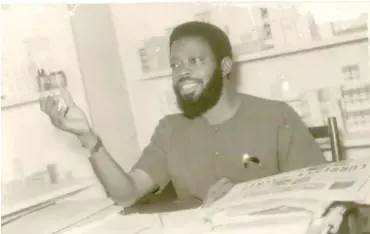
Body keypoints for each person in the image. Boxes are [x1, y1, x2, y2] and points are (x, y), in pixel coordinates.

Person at [40, 21, 327, 208]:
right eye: (175, 64)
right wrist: (88, 139)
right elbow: (126, 194)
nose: (183, 71)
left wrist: (243, 199)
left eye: (195, 61)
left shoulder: (276, 117)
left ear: (225, 66)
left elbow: (321, 196)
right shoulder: (169, 130)